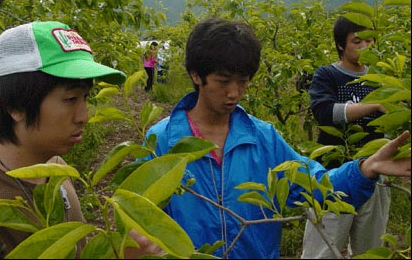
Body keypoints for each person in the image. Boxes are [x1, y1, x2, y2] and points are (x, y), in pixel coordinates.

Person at [140, 17, 410, 259]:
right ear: (196, 75)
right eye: (223, 82)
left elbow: (315, 185)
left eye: (243, 82)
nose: (234, 93)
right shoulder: (163, 142)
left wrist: (366, 169)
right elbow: (141, 219)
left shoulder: (262, 138)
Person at [0, 21, 160, 258]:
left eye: (85, 97)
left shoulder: (55, 168)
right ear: (14, 106)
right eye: (70, 99)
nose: (84, 116)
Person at [301, 15, 391, 259]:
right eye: (357, 42)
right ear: (341, 45)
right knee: (321, 251)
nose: (364, 47)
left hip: (373, 174)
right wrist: (373, 105)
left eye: (369, 41)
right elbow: (324, 113)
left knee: (370, 250)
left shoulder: (380, 79)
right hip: (332, 176)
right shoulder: (327, 75)